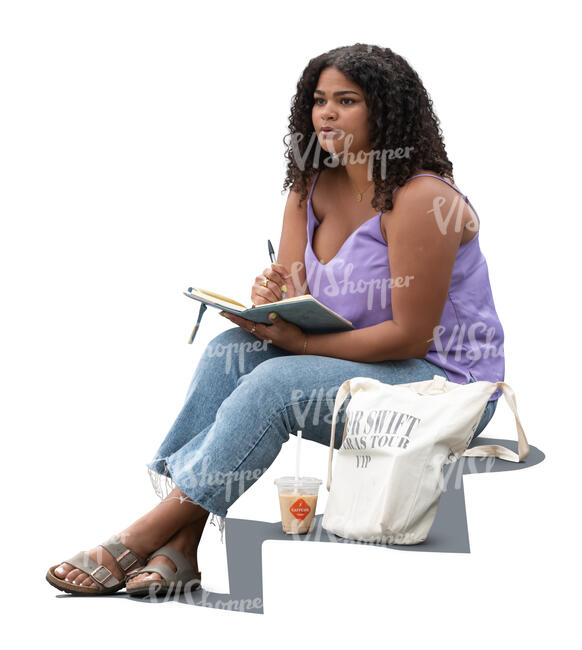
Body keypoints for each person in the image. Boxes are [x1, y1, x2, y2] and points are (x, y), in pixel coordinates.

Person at [46, 43, 505, 597]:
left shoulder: (422, 198)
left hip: (439, 389)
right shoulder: (309, 188)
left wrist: (303, 345)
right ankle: (183, 545)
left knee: (276, 382)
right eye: (319, 101)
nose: (327, 114)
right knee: (229, 350)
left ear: (384, 109)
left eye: (347, 100)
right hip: (353, 367)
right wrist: (271, 300)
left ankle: (145, 532)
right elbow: (297, 295)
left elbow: (410, 336)